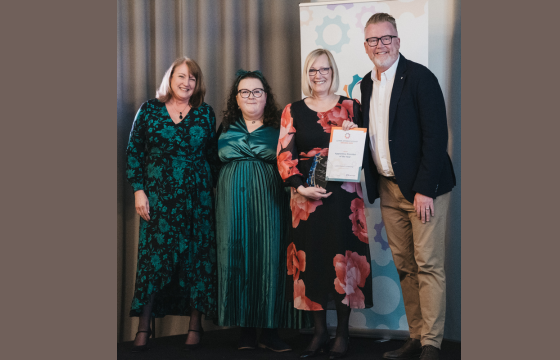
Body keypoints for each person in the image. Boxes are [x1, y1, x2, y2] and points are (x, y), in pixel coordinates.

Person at [360, 13, 456, 360]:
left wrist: (425, 189)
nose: (380, 45)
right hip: (389, 189)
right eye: (373, 40)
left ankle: (431, 342)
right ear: (366, 46)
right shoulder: (366, 85)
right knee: (405, 264)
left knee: (428, 263)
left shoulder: (420, 77)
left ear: (398, 41)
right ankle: (415, 336)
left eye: (386, 38)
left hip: (423, 189)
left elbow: (436, 137)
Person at [278, 49, 373, 360]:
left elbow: (366, 153)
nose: (318, 75)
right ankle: (319, 331)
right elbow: (283, 156)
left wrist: (351, 134)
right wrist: (300, 188)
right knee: (312, 260)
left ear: (333, 71)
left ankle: (342, 332)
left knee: (343, 258)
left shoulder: (352, 106)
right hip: (305, 199)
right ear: (307, 75)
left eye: (324, 69)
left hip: (344, 197)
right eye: (312, 71)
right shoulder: (292, 109)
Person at [126, 57, 219, 352]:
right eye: (181, 76)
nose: (186, 82)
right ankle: (144, 328)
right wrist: (139, 191)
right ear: (170, 79)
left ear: (198, 83)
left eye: (192, 78)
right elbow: (133, 152)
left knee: (196, 261)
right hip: (159, 202)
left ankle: (195, 326)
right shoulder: (149, 111)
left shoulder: (205, 113)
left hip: (197, 202)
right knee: (154, 262)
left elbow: (212, 157)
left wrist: (207, 187)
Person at [216, 69, 310, 352]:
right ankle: (245, 330)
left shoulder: (280, 126)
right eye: (245, 92)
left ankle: (269, 331)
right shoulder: (225, 126)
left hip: (271, 199)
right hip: (231, 203)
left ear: (266, 96)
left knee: (270, 258)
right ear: (236, 98)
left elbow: (296, 160)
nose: (251, 96)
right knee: (237, 258)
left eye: (257, 91)